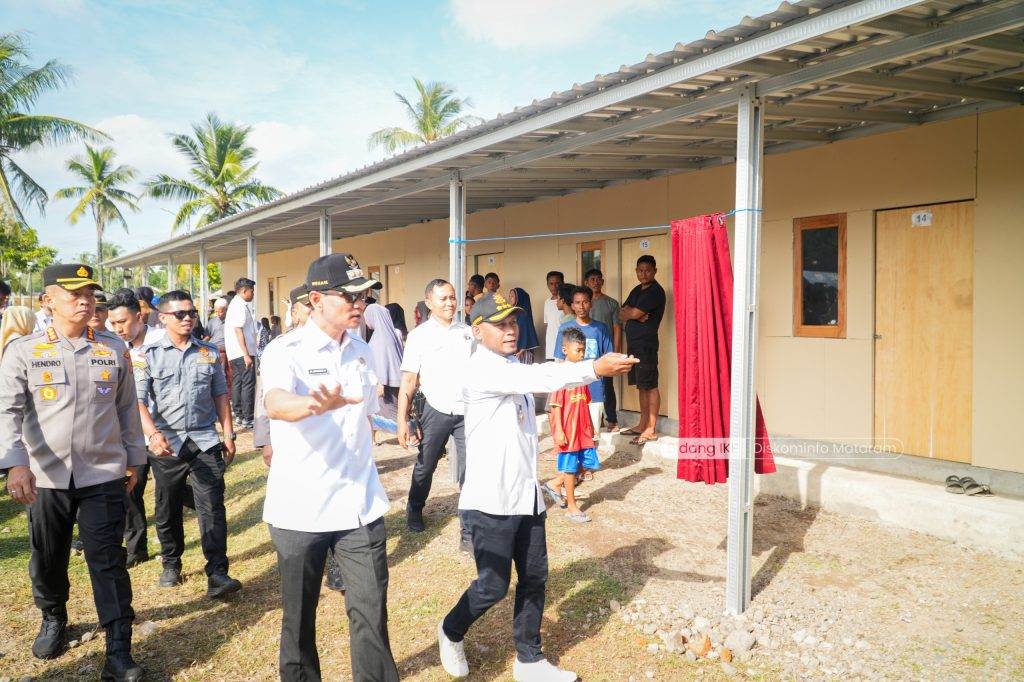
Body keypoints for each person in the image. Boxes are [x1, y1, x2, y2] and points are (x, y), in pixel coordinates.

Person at [436, 293, 636, 682]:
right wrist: (594, 367)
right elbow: (540, 377)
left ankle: (529, 660)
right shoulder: (481, 369)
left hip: (526, 496)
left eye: (513, 322)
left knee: (534, 579)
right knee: (492, 586)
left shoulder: (511, 365)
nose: (510, 330)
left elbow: (538, 377)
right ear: (477, 331)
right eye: (500, 324)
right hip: (491, 501)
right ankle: (450, 630)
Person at [0, 263, 146, 681]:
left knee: (108, 561)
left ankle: (118, 649)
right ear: (48, 301)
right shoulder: (24, 350)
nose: (85, 301)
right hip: (45, 476)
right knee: (48, 557)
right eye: (74, 294)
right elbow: (7, 411)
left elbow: (126, 408)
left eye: (89, 294)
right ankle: (53, 617)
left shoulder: (113, 348)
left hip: (102, 472)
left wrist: (135, 458)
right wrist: (16, 463)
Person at [261, 253, 398, 682]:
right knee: (299, 618)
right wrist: (311, 405)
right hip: (302, 507)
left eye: (365, 295)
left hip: (359, 504)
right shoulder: (285, 350)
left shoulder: (361, 349)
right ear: (317, 300)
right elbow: (275, 402)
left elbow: (366, 415)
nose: (360, 303)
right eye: (349, 296)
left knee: (371, 611)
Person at [134, 290, 242, 597]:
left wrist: (228, 434)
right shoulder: (147, 355)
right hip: (167, 443)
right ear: (163, 318)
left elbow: (220, 394)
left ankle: (218, 573)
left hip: (204, 439)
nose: (188, 319)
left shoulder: (209, 352)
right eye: (180, 314)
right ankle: (171, 562)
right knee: (167, 506)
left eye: (191, 313)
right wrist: (153, 435)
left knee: (212, 507)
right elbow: (137, 402)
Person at [397, 278, 473, 548]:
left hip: (466, 410)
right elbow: (409, 380)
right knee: (426, 465)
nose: (450, 303)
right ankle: (415, 507)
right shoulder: (419, 336)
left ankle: (469, 528)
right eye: (443, 298)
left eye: (453, 297)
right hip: (435, 409)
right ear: (429, 302)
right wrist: (401, 420)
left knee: (470, 469)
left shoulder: (467, 332)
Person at [107, 289, 167, 568]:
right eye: (113, 323)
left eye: (123, 321)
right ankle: (136, 549)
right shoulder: (113, 348)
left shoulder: (162, 341)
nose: (118, 328)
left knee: (170, 490)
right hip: (133, 435)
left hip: (164, 431)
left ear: (140, 316)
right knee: (131, 492)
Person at [542, 327, 599, 522]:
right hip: (568, 431)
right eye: (578, 350)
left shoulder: (582, 375)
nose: (582, 355)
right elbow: (555, 406)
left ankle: (555, 484)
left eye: (583, 350)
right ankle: (572, 507)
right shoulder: (561, 374)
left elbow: (586, 402)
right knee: (570, 468)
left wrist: (591, 426)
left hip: (583, 430)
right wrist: (558, 431)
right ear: (565, 350)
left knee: (590, 464)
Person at [619, 255, 667, 445]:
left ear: (655, 271)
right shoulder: (637, 289)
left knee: (650, 385)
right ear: (636, 271)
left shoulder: (655, 291)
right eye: (640, 270)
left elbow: (632, 312)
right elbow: (622, 312)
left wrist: (634, 314)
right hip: (635, 345)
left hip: (646, 344)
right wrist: (636, 315)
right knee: (642, 385)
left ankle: (651, 429)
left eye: (648, 270)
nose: (644, 273)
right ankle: (642, 424)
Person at [554, 287, 612, 436]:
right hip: (570, 390)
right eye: (577, 302)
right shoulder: (565, 329)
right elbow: (560, 361)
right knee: (572, 433)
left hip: (595, 389)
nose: (581, 306)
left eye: (585, 302)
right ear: (572, 305)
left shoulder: (600, 328)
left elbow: (607, 357)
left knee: (592, 434)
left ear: (591, 303)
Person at [585, 269, 622, 432]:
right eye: (592, 279)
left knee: (607, 387)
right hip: (586, 353)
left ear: (603, 282)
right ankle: (595, 420)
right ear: (586, 283)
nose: (596, 282)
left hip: (605, 352)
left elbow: (617, 328)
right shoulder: (583, 303)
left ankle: (612, 420)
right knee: (589, 386)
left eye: (598, 279)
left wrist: (615, 352)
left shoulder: (611, 303)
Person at [364, 302, 404, 443]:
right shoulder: (391, 334)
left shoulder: (379, 338)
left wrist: (379, 384)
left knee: (388, 413)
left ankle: (412, 435)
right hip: (395, 379)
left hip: (383, 384)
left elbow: (381, 361)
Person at [225, 277, 258, 429]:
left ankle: (239, 415)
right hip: (243, 352)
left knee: (238, 383)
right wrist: (245, 354)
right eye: (252, 291)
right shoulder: (239, 305)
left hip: (235, 352)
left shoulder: (234, 304)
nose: (253, 294)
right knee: (248, 385)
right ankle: (247, 417)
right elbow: (238, 329)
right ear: (244, 291)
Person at [507, 287, 539, 364]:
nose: (510, 298)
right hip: (513, 352)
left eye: (512, 296)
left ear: (519, 298)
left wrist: (521, 351)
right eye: (509, 296)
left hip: (523, 353)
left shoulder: (524, 316)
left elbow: (527, 336)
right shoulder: (511, 315)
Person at [542, 271, 564, 360]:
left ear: (563, 283)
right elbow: (549, 325)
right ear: (547, 285)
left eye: (557, 283)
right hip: (550, 347)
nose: (554, 286)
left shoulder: (567, 302)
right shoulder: (547, 302)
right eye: (551, 284)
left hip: (563, 347)